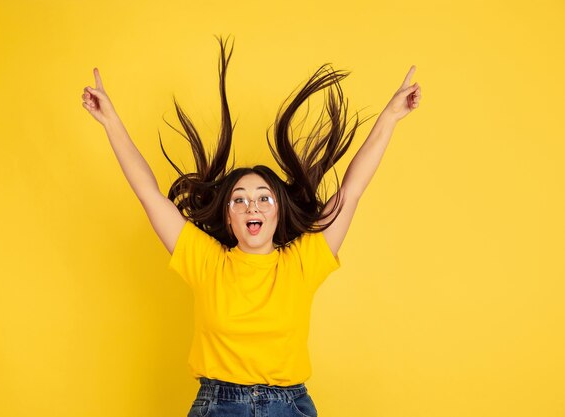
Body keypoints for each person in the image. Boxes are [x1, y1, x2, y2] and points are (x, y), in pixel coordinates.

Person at [81, 35, 421, 417]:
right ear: (228, 217)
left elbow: (352, 190)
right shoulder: (204, 260)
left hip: (289, 406)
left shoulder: (303, 261)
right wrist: (110, 121)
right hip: (218, 406)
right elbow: (148, 194)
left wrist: (390, 117)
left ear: (278, 212)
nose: (251, 206)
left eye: (263, 197)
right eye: (239, 200)